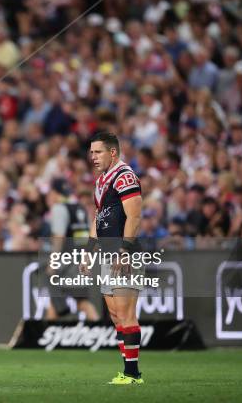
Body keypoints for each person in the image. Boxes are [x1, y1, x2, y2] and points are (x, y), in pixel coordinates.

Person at [82, 132, 144, 385]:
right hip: (108, 253)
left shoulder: (125, 176)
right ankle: (126, 370)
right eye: (91, 152)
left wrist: (126, 249)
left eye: (98, 152)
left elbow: (135, 216)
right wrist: (88, 251)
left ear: (113, 153)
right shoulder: (101, 181)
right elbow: (99, 218)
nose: (92, 157)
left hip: (124, 254)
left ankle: (132, 373)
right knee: (116, 315)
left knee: (126, 313)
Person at [45, 178, 100, 321]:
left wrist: (53, 261)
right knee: (59, 300)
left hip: (66, 262)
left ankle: (102, 332)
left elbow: (59, 236)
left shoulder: (59, 208)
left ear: (54, 192)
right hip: (80, 261)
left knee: (81, 303)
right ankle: (46, 339)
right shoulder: (80, 208)